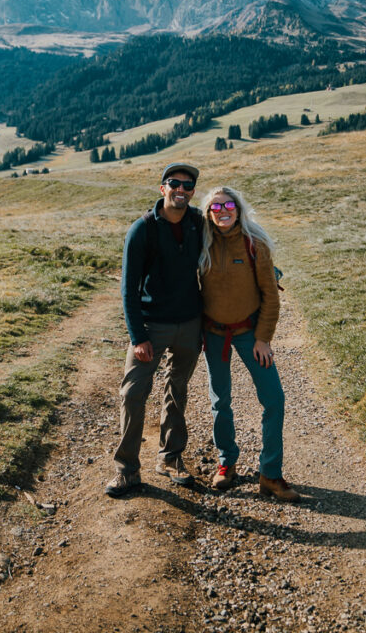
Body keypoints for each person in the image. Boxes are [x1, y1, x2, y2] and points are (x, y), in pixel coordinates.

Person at [105, 162, 204, 498]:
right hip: (151, 325)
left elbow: (232, 250)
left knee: (178, 390)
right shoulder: (142, 229)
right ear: (162, 188)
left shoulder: (199, 224)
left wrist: (268, 269)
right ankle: (127, 472)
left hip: (190, 323)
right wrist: (138, 337)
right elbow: (128, 289)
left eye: (187, 185)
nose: (181, 189)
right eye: (174, 183)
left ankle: (171, 458)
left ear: (192, 192)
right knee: (132, 394)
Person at [199, 185, 300, 501]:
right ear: (208, 214)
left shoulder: (255, 245)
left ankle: (270, 473)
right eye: (215, 207)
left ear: (238, 209)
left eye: (228, 205)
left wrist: (263, 339)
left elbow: (271, 295)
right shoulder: (201, 246)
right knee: (220, 401)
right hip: (214, 335)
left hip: (249, 333)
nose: (223, 211)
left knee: (274, 399)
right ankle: (226, 463)